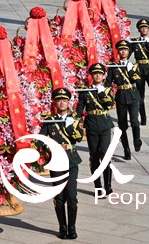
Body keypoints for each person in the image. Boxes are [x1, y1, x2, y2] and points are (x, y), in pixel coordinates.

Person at [41, 87, 83, 240]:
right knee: (59, 197)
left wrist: (70, 124)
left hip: (71, 161)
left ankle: (72, 227)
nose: (62, 103)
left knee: (72, 196)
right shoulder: (49, 121)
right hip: (56, 162)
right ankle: (62, 226)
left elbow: (78, 138)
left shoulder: (74, 118)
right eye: (59, 100)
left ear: (68, 102)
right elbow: (40, 140)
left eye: (64, 100)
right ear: (55, 103)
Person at [76, 63, 115, 195]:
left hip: (104, 125)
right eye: (95, 74)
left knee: (105, 154)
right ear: (92, 76)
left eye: (100, 73)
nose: (97, 75)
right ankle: (98, 186)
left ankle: (108, 185)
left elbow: (109, 104)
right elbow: (79, 110)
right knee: (94, 156)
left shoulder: (108, 90)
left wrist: (102, 93)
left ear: (103, 76)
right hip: (91, 125)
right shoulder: (85, 91)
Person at [107, 40, 141, 160]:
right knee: (122, 125)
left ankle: (137, 139)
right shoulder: (114, 67)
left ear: (128, 51)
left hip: (132, 94)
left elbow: (137, 80)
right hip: (121, 96)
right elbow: (108, 84)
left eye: (125, 50)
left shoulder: (133, 66)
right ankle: (126, 149)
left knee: (134, 120)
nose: (123, 51)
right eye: (121, 50)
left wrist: (131, 70)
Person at [131, 19, 149, 126]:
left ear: (148, 30)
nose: (144, 29)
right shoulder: (135, 41)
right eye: (142, 28)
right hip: (139, 68)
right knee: (140, 95)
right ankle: (143, 117)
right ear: (139, 30)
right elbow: (127, 54)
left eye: (146, 28)